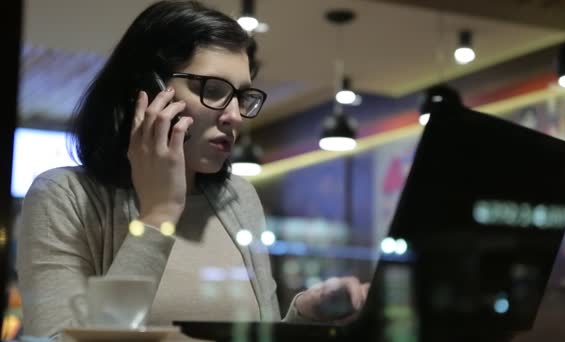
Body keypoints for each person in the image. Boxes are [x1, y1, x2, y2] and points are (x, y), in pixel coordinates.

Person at [15, 0, 369, 338]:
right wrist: (158, 215)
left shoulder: (238, 198)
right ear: (148, 91)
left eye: (242, 96)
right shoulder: (63, 197)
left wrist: (304, 316)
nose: (234, 116)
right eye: (213, 89)